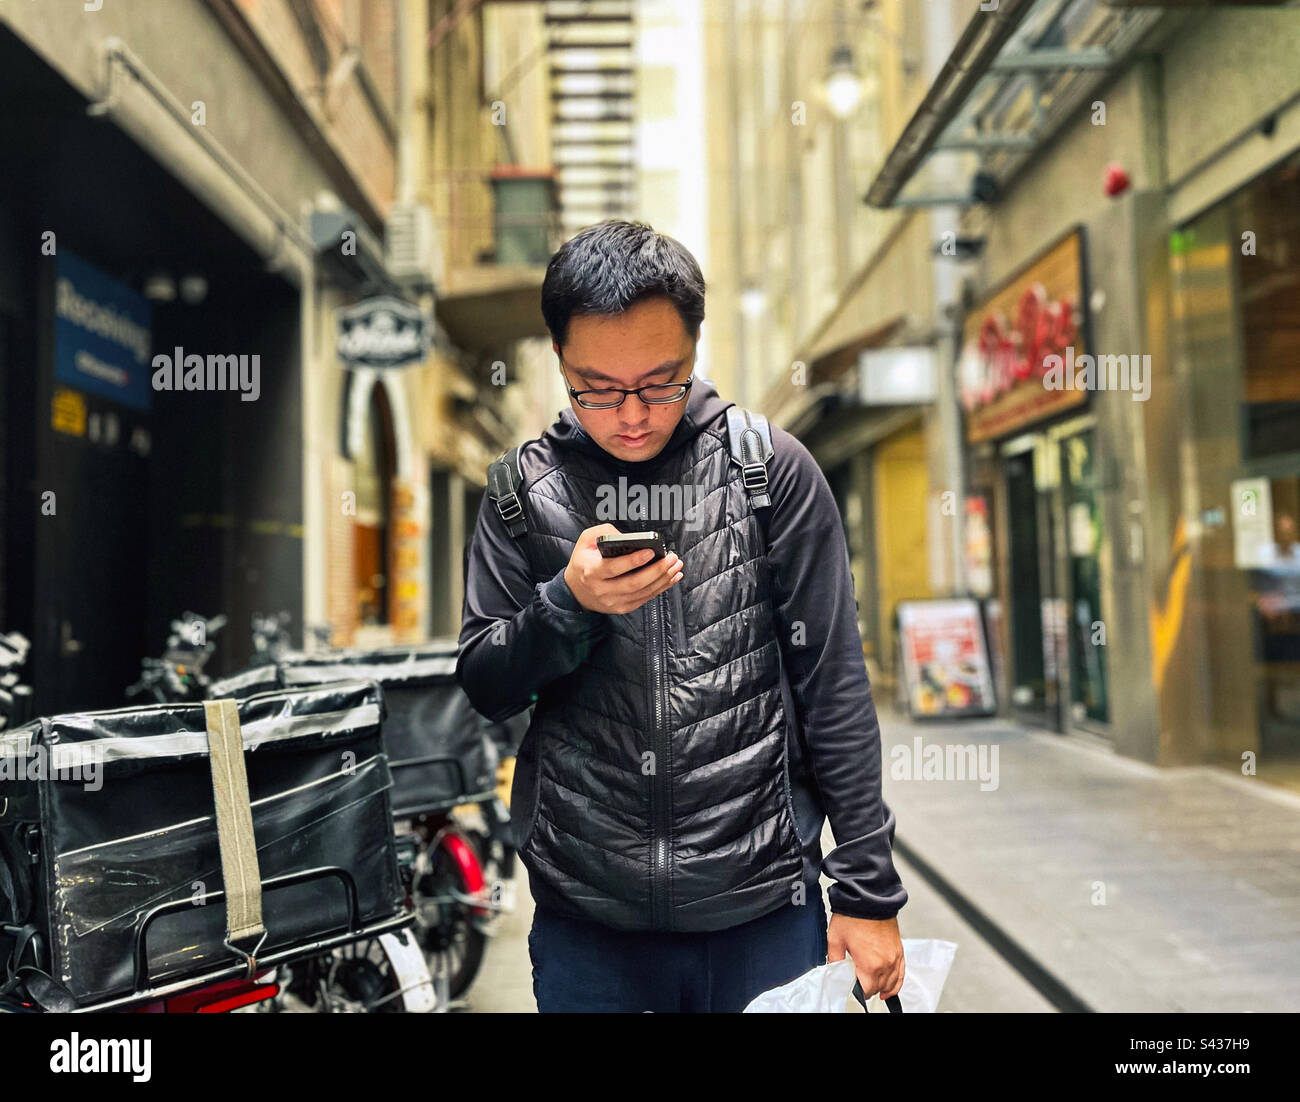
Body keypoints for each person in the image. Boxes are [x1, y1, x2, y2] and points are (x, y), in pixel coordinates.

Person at [457, 219, 907, 1013]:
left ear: (695, 352)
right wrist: (566, 605)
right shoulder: (517, 496)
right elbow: (486, 685)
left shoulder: (770, 473)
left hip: (762, 911)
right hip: (588, 925)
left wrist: (868, 895)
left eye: (659, 382)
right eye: (596, 387)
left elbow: (833, 684)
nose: (630, 414)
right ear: (559, 361)